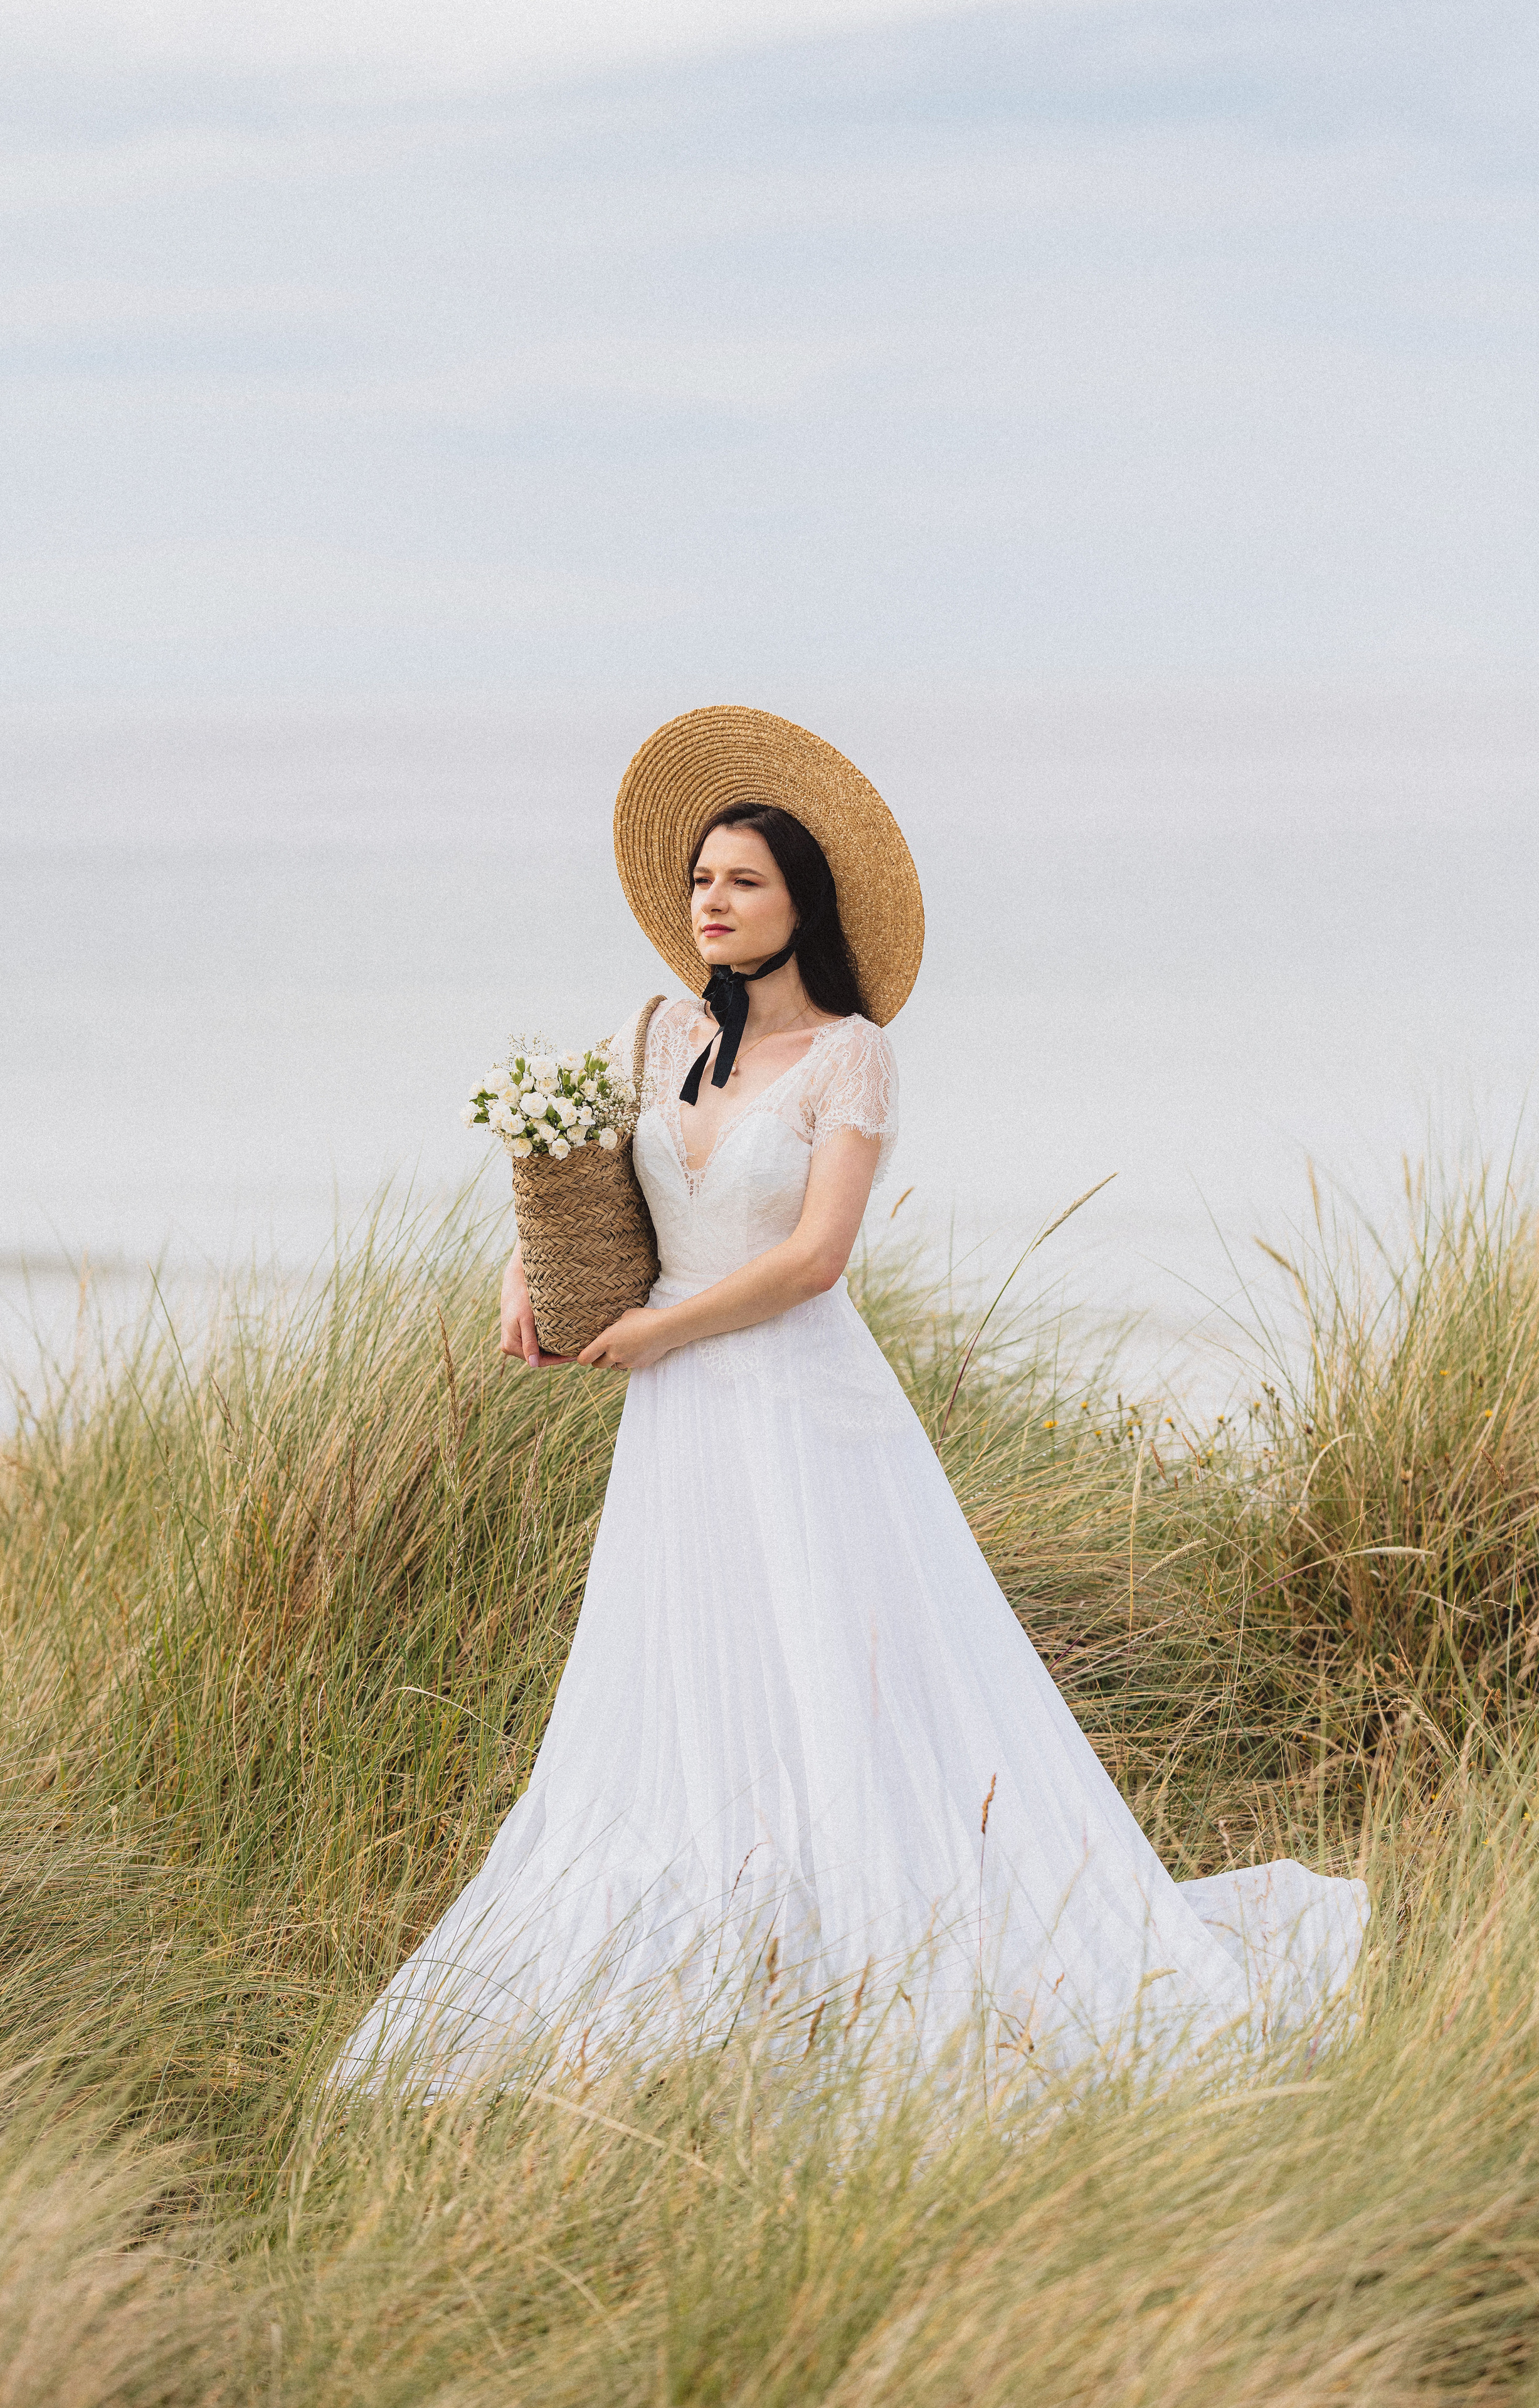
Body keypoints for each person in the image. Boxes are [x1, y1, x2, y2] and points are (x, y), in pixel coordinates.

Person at [333, 705, 1367, 2096]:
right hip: (676, 1412)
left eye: (742, 880)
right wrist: (527, 1272)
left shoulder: (850, 1055)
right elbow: (576, 1176)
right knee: (684, 1662)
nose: (711, 899)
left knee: (831, 1663)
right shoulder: (653, 1037)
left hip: (796, 1400)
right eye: (700, 878)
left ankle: (878, 1938)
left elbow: (814, 1261)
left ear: (799, 905)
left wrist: (658, 1330)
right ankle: (724, 1936)